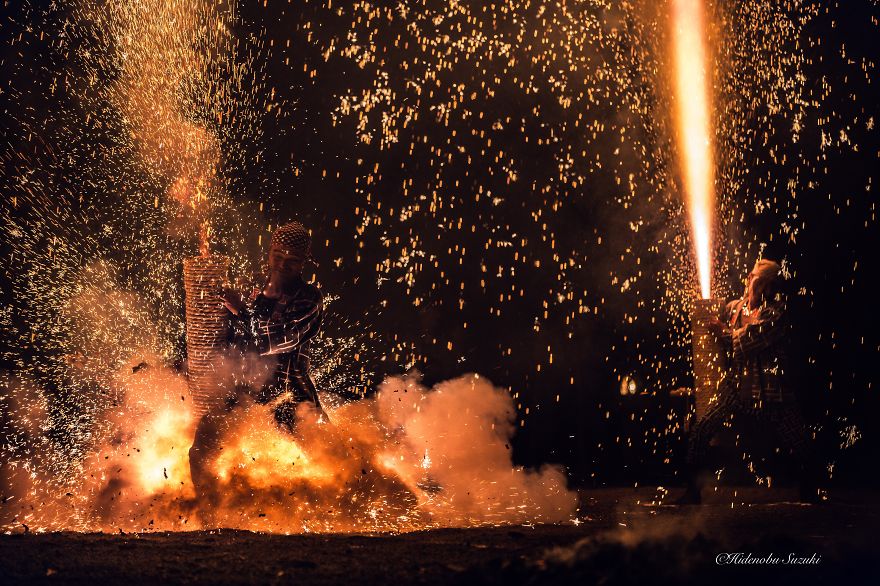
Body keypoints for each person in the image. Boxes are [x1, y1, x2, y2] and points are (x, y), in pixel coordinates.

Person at [188, 221, 326, 500]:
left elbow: (273, 342)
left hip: (290, 394)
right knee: (204, 444)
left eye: (292, 261)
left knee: (329, 458)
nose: (283, 265)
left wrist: (242, 311)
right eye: (278, 256)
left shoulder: (309, 300)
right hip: (245, 392)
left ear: (303, 264)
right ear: (269, 253)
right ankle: (209, 512)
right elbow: (230, 339)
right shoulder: (252, 287)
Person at [676, 258, 819, 504]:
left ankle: (810, 490)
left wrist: (725, 332)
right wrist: (703, 308)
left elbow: (751, 338)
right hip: (738, 387)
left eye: (758, 280)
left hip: (770, 389)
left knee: (799, 439)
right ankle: (693, 491)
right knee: (702, 427)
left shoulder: (776, 311)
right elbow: (715, 315)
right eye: (753, 278)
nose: (752, 282)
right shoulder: (737, 307)